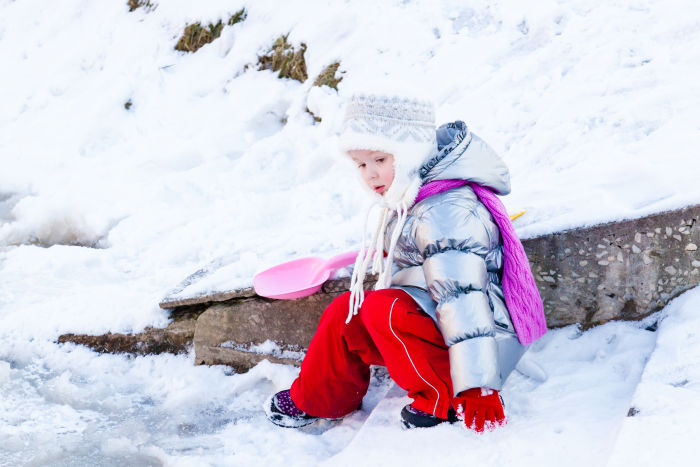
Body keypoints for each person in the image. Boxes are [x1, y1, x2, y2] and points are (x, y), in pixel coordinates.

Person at [264, 88, 547, 431]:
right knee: (347, 310)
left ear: (410, 154)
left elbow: (461, 297)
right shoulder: (412, 196)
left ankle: (445, 399)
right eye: (362, 164)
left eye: (380, 160)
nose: (370, 174)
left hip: (480, 343)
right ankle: (321, 396)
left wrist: (478, 384)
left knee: (382, 307)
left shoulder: (444, 210)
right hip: (435, 325)